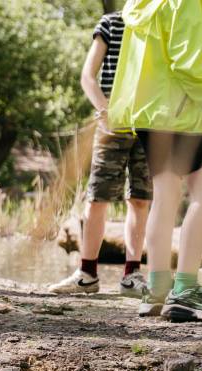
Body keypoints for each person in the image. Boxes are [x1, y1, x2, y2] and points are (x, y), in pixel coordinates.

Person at [108, 0, 202, 322]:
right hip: (178, 111)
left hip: (150, 111)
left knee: (166, 197)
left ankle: (157, 289)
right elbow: (186, 61)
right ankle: (186, 290)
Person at [49, 11, 151, 297]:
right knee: (97, 198)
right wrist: (106, 112)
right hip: (111, 126)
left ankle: (132, 275)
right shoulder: (111, 23)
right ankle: (87, 274)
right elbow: (87, 76)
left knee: (141, 199)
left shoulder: (158, 23)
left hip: (148, 124)